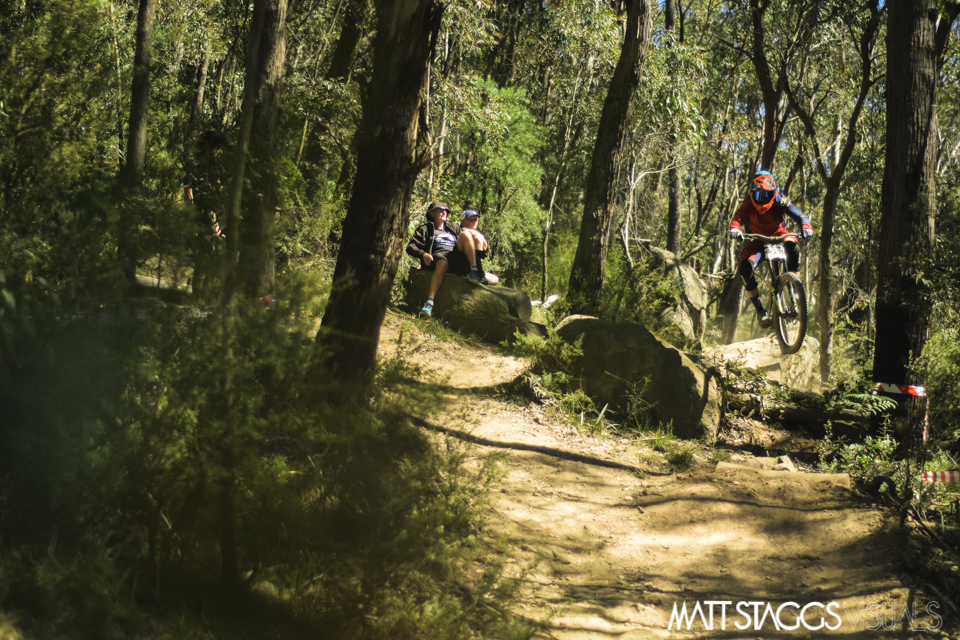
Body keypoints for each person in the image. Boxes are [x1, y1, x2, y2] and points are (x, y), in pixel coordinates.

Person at [729, 170, 814, 328]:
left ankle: (795, 290)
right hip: (756, 240)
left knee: (793, 246)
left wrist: (806, 227)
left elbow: (799, 215)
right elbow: (738, 217)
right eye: (757, 196)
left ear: (773, 193)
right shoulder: (748, 202)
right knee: (745, 268)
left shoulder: (779, 200)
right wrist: (735, 229)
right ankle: (761, 311)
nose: (761, 200)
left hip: (779, 235)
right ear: (751, 194)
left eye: (765, 196)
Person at [184, 130, 233, 299]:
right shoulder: (200, 166)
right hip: (208, 219)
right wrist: (210, 221)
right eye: (222, 148)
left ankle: (210, 295)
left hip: (224, 219)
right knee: (205, 257)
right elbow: (192, 195)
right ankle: (199, 296)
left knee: (220, 258)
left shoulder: (224, 168)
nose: (225, 153)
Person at [406, 202, 462, 316]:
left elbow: (465, 242)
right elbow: (410, 247)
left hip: (454, 259)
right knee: (442, 262)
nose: (444, 212)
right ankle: (430, 301)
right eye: (440, 210)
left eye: (446, 210)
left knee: (493, 279)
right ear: (431, 213)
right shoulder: (425, 229)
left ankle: (476, 272)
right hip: (436, 259)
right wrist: (423, 254)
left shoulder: (454, 228)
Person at [448, 209, 500, 286]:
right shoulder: (460, 231)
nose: (474, 222)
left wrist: (479, 236)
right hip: (458, 262)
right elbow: (465, 232)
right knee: (472, 236)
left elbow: (481, 258)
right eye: (471, 220)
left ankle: (476, 273)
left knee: (495, 279)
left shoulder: (477, 235)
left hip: (468, 268)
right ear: (463, 221)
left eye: (475, 219)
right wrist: (479, 235)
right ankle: (474, 270)